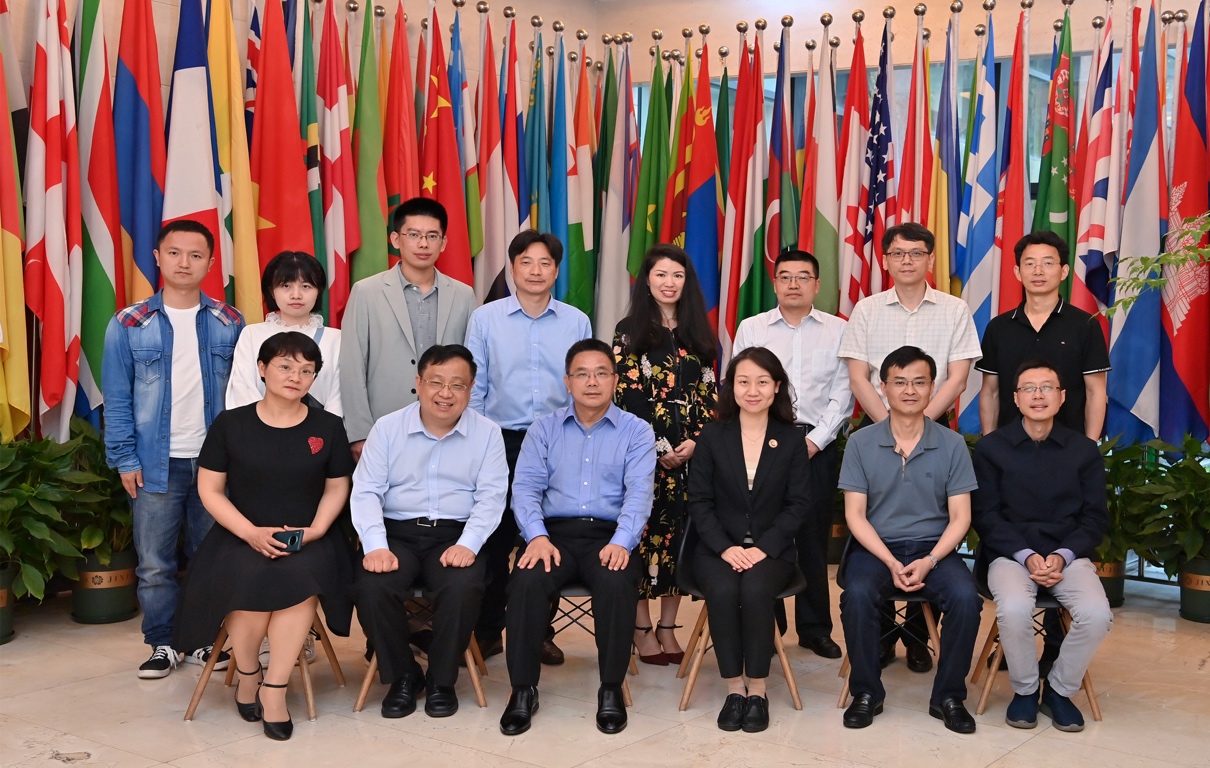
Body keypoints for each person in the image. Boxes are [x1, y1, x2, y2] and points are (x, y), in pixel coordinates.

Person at [175, 333, 354, 741]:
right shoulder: (231, 424)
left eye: (306, 370)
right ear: (262, 368)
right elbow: (210, 490)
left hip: (307, 535)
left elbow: (336, 487)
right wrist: (250, 532)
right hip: (240, 533)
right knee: (247, 574)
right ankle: (249, 672)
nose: (295, 377)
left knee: (301, 578)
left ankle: (274, 688)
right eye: (285, 366)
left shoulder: (328, 426)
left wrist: (317, 529)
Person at [101, 220, 244, 679]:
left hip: (216, 464)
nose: (185, 263)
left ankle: (201, 639)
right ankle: (162, 642)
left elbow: (245, 396)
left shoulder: (230, 321)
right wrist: (124, 457)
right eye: (175, 253)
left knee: (210, 558)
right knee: (155, 564)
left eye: (196, 255)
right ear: (158, 257)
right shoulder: (128, 322)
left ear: (211, 263)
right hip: (152, 463)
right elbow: (116, 397)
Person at [838, 222, 981, 673]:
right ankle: (880, 636)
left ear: (930, 260)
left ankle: (919, 638)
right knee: (880, 521)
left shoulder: (954, 309)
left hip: (935, 425)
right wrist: (892, 424)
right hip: (877, 426)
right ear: (885, 260)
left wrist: (920, 423)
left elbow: (957, 377)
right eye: (898, 253)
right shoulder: (867, 309)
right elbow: (859, 376)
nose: (907, 261)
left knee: (929, 522)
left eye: (916, 253)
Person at [499, 339, 656, 736]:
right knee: (526, 581)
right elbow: (525, 489)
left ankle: (610, 688)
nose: (592, 382)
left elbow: (639, 495)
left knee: (617, 583)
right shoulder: (543, 428)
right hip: (552, 536)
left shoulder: (637, 431)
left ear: (615, 380)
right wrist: (535, 536)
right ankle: (522, 690)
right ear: (567, 381)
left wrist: (622, 541)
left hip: (609, 535)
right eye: (582, 374)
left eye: (601, 373)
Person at [976, 231, 1111, 673]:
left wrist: (1088, 447)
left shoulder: (1084, 325)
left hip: (1067, 452)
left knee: (1065, 541)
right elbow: (990, 391)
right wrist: (992, 445)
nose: (1038, 271)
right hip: (1011, 454)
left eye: (1048, 262)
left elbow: (1096, 391)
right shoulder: (1000, 327)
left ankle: (1055, 651)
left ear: (1064, 271)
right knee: (1009, 546)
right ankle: (1012, 651)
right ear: (1017, 271)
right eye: (1030, 263)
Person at [351, 344, 508, 720]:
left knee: (463, 585)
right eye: (436, 382)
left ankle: (441, 680)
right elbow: (366, 491)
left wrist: (469, 544)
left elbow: (492, 497)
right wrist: (375, 545)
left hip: (455, 534)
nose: (445, 393)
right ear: (418, 383)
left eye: (457, 384)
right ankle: (404, 675)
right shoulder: (387, 428)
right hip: (396, 534)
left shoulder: (487, 433)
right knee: (372, 586)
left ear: (471, 389)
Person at [837, 346, 982, 733]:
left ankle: (948, 697)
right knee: (857, 595)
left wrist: (930, 560)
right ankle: (866, 693)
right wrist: (889, 561)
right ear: (883, 387)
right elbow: (855, 515)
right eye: (899, 382)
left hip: (934, 548)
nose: (909, 390)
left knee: (967, 599)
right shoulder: (861, 442)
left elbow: (961, 518)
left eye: (919, 382)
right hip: (877, 547)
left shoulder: (952, 444)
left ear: (933, 387)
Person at [465, 230, 592, 664]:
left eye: (545, 263)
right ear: (512, 267)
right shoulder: (485, 319)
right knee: (495, 538)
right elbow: (476, 386)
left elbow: (583, 385)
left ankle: (539, 631)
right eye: (526, 262)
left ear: (556, 271)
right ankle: (487, 631)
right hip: (500, 440)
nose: (535, 271)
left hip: (559, 441)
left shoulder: (576, 321)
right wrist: (480, 445)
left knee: (546, 537)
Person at [972, 359, 1113, 732]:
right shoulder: (992, 448)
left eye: (1047, 387)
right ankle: (1025, 690)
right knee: (1015, 608)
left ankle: (1059, 690)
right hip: (1010, 555)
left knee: (1097, 615)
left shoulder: (1083, 450)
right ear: (1015, 398)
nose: (1038, 395)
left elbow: (1095, 519)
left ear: (1062, 397)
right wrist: (1027, 555)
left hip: (1069, 556)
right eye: (1029, 388)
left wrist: (1062, 556)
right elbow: (985, 516)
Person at [733, 250, 853, 659]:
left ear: (817, 285)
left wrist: (815, 441)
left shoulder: (838, 330)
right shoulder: (753, 328)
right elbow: (741, 384)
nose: (794, 284)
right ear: (775, 284)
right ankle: (769, 627)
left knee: (812, 538)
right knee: (763, 531)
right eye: (785, 276)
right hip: (761, 442)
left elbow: (844, 392)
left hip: (817, 444)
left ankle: (815, 628)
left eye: (803, 277)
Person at [687, 347, 811, 733]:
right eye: (743, 382)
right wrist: (726, 548)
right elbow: (700, 502)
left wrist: (762, 548)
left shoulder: (791, 439)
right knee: (724, 590)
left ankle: (757, 690)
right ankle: (733, 690)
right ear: (732, 387)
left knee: (756, 590)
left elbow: (798, 505)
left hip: (771, 550)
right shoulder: (713, 435)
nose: (752, 390)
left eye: (762, 382)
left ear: (777, 387)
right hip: (716, 549)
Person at [612, 244, 717, 666]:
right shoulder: (628, 330)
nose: (669, 283)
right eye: (661, 274)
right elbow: (626, 394)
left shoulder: (699, 332)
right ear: (647, 281)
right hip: (643, 455)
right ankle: (640, 629)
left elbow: (710, 394)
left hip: (692, 456)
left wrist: (697, 441)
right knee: (641, 537)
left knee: (679, 540)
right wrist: (658, 447)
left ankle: (668, 628)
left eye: (677, 275)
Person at [340, 198, 477, 460]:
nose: (423, 244)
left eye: (432, 236)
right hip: (383, 427)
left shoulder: (463, 295)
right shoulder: (366, 292)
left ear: (443, 243)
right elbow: (352, 365)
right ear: (395, 239)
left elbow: (472, 364)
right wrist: (359, 433)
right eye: (413, 235)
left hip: (448, 426)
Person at [227, 251, 342, 415]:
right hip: (258, 428)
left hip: (320, 429)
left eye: (306, 286)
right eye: (286, 286)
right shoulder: (252, 334)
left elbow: (339, 398)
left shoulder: (336, 339)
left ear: (318, 291)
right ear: (271, 291)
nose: (296, 295)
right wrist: (263, 425)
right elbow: (242, 389)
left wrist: (326, 427)